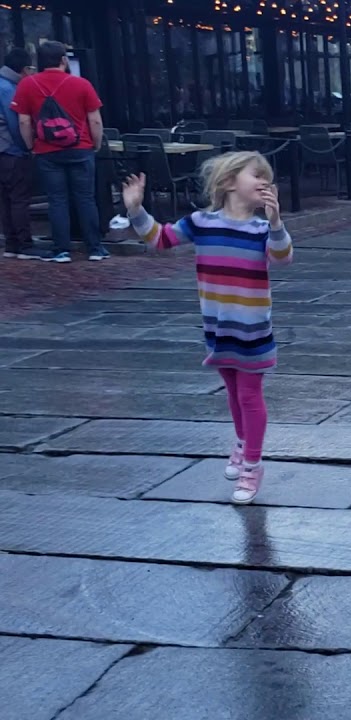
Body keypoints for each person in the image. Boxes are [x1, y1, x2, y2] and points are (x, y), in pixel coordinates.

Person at [121, 152, 294, 504]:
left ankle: (252, 465)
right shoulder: (201, 222)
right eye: (255, 175)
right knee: (231, 390)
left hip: (252, 330)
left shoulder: (261, 230)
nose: (264, 181)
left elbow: (283, 257)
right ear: (229, 182)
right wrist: (136, 210)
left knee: (249, 394)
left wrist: (276, 223)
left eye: (267, 176)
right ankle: (243, 442)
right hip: (217, 327)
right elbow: (160, 239)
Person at [11, 41, 108, 263]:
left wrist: (30, 145)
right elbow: (94, 119)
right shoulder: (82, 84)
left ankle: (61, 249)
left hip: (47, 150)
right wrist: (96, 143)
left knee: (57, 200)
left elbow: (24, 122)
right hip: (80, 147)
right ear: (64, 60)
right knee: (85, 198)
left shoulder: (27, 85)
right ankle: (94, 247)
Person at [0, 48, 35, 260]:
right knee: (18, 198)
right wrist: (27, 146)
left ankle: (11, 243)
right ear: (23, 69)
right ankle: (24, 244)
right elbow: (16, 122)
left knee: (5, 199)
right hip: (10, 149)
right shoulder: (9, 88)